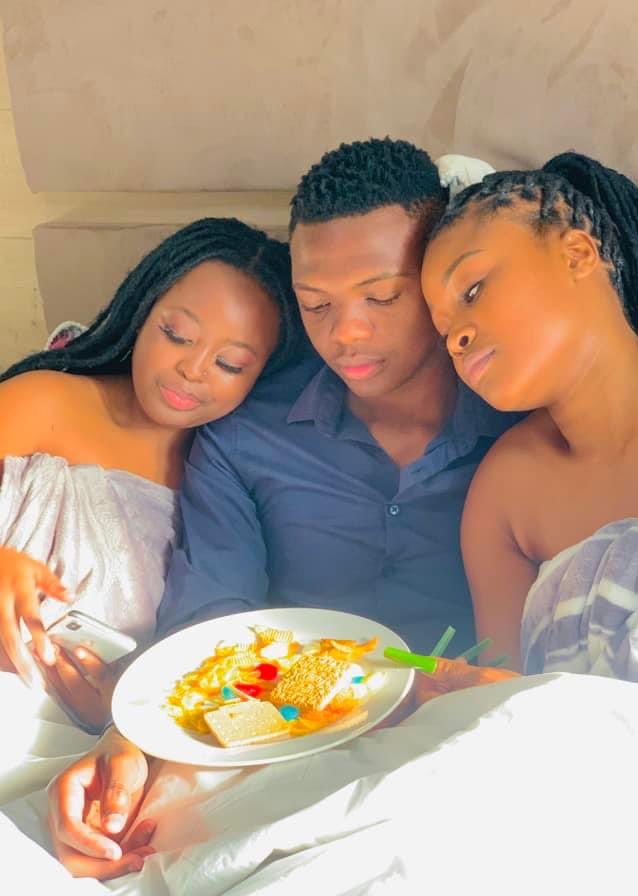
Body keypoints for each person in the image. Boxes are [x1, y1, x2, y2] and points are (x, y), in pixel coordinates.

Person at [46, 137, 518, 879]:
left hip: (474, 749)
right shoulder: (245, 435)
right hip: (281, 744)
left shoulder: (522, 423)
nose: (346, 333)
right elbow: (211, 617)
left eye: (382, 297)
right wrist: (130, 742)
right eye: (316, 304)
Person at [421, 151, 638, 672]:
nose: (455, 339)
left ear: (578, 253)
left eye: (473, 290)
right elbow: (504, 695)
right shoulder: (504, 496)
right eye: (442, 328)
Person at [0, 217, 300, 712]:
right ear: (142, 312)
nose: (193, 370)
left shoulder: (225, 491)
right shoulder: (42, 401)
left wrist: (118, 712)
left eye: (230, 364)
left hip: (100, 737)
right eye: (177, 335)